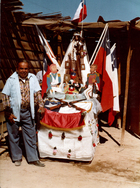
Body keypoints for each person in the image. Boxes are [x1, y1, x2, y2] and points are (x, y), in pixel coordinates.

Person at [2, 61, 45, 167]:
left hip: (27, 111)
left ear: (28, 69)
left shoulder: (32, 78)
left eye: (26, 69)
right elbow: (5, 96)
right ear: (17, 69)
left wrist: (41, 105)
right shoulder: (11, 80)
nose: (24, 71)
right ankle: (17, 158)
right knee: (14, 135)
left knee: (30, 135)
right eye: (21, 69)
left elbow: (37, 93)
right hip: (14, 113)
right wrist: (8, 113)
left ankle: (33, 158)